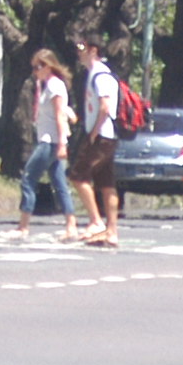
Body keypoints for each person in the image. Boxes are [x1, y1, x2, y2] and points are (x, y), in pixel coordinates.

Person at [15, 47, 79, 240]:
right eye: (33, 67)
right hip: (51, 140)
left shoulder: (54, 86)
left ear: (49, 66)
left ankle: (23, 227)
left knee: (28, 179)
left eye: (38, 67)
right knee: (59, 184)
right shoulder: (47, 86)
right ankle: (71, 226)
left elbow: (59, 115)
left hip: (50, 142)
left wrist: (62, 144)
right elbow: (61, 111)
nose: (35, 71)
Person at [74, 36, 125, 247]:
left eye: (81, 48)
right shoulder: (95, 74)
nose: (78, 52)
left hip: (102, 135)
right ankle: (111, 231)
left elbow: (105, 107)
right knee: (106, 183)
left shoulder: (101, 75)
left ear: (93, 50)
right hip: (108, 136)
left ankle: (96, 221)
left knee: (78, 176)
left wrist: (93, 132)